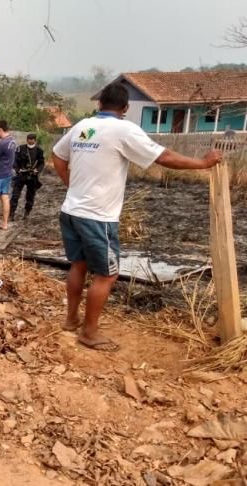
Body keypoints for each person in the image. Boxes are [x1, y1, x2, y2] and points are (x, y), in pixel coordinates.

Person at [51, 82, 222, 352]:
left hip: (71, 211)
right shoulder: (124, 129)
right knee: (107, 275)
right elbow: (163, 157)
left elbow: (58, 156)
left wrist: (71, 185)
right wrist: (202, 163)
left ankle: (71, 320)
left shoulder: (82, 126)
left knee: (78, 265)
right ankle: (89, 332)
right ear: (126, 108)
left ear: (99, 104)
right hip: (99, 217)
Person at [10, 133, 45, 220]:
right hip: (21, 175)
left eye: (32, 139)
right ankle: (11, 213)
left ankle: (27, 213)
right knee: (15, 195)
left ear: (35, 140)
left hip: (32, 176)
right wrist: (18, 169)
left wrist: (37, 170)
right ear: (27, 140)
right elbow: (14, 161)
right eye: (29, 139)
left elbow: (41, 163)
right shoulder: (20, 148)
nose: (30, 140)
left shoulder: (39, 150)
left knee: (30, 196)